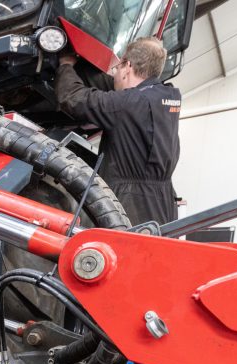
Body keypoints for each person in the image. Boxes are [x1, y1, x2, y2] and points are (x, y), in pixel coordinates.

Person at [55, 37, 181, 226]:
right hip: (162, 204)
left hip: (128, 204)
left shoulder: (128, 104)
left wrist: (65, 65)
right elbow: (118, 88)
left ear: (127, 66)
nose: (114, 75)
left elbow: (73, 98)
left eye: (117, 68)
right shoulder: (168, 97)